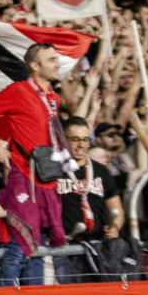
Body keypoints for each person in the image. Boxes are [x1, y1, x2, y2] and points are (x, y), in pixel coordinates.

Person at [0, 42, 69, 286]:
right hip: (24, 176)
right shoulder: (19, 90)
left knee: (38, 246)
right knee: (19, 246)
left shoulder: (54, 98)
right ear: (35, 66)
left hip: (48, 178)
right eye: (52, 60)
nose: (58, 64)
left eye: (57, 59)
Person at [52, 116, 123, 284]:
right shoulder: (53, 170)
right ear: (63, 140)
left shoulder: (101, 171)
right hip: (65, 249)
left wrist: (115, 227)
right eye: (75, 139)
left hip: (97, 248)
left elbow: (117, 209)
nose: (81, 145)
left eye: (85, 139)